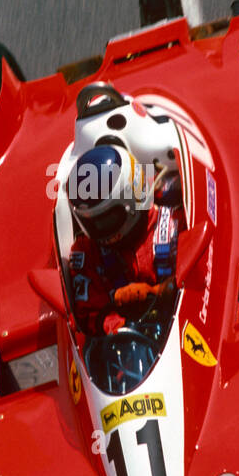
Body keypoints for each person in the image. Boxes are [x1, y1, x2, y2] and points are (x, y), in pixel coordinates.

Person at [66, 143, 184, 337]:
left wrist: (159, 291)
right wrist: (121, 327)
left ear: (131, 199)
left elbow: (205, 273)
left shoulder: (178, 218)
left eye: (104, 220)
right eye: (91, 223)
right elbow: (88, 316)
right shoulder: (86, 253)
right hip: (130, 352)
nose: (98, 230)